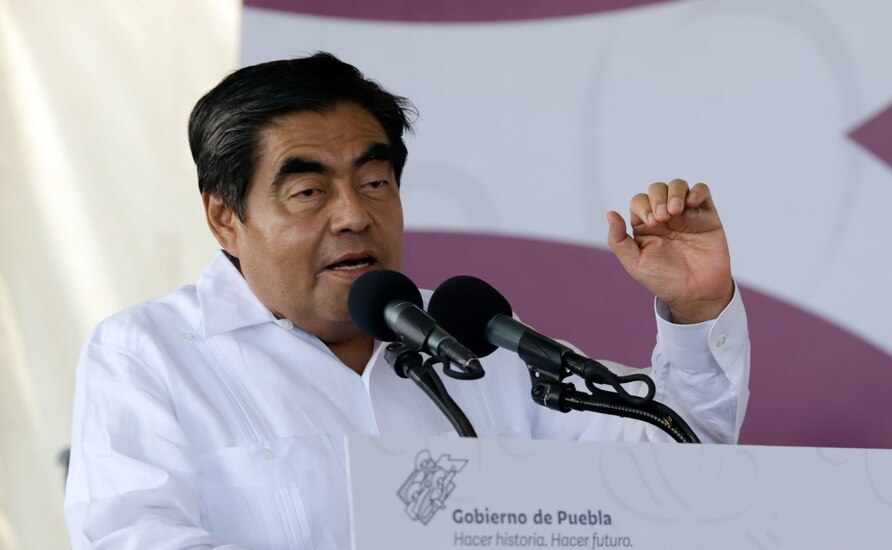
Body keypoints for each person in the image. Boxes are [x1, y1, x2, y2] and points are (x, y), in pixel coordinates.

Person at [63, 52, 750, 548]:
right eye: (308, 192)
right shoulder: (149, 354)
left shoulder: (472, 335)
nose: (353, 216)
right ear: (225, 219)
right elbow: (135, 538)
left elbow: (672, 471)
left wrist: (696, 308)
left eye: (374, 183)